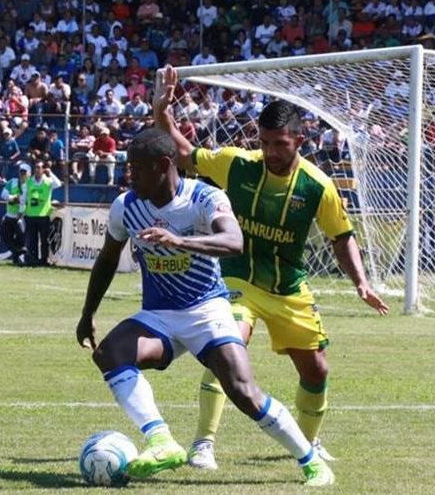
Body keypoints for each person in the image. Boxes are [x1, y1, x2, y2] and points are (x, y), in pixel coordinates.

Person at [153, 65, 389, 471]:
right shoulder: (238, 164)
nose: (272, 152)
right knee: (227, 349)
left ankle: (308, 446)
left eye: (280, 143)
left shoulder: (318, 186)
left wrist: (361, 283)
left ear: (300, 140)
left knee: (316, 370)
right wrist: (163, 112)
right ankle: (203, 444)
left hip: (288, 290)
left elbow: (341, 236)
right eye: (265, 143)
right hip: (237, 279)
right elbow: (186, 156)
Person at [75, 127, 334, 486]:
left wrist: (180, 240)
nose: (129, 175)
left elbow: (234, 241)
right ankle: (162, 442)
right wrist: (88, 313)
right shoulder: (126, 207)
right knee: (110, 353)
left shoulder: (203, 197)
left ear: (164, 165)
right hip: (159, 316)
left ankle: (311, 462)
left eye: (137, 167)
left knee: (243, 391)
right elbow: (106, 258)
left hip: (206, 310)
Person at [23, 160, 62, 266]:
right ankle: (34, 259)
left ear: (43, 169)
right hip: (31, 215)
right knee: (33, 240)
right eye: (35, 167)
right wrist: (22, 211)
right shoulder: (29, 182)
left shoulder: (48, 182)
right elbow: (24, 198)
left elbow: (58, 184)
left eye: (39, 168)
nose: (37, 170)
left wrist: (50, 173)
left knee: (45, 240)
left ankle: (44, 260)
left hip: (43, 215)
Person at [0, 162, 29, 266]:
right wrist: (13, 198)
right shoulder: (13, 182)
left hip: (21, 216)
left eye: (24, 172)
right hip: (9, 215)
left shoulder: (29, 185)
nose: (22, 174)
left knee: (21, 238)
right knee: (6, 237)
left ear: (28, 174)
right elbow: (3, 194)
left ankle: (20, 259)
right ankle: (17, 254)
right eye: (21, 172)